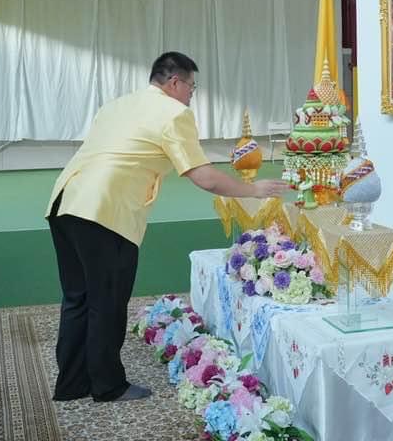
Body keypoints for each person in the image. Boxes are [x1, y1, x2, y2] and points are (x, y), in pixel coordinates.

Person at [45, 51, 288, 402]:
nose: (192, 93)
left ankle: (71, 383)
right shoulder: (174, 113)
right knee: (106, 300)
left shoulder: (115, 105)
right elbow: (202, 175)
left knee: (77, 297)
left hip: (64, 201)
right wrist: (253, 189)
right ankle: (108, 385)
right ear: (175, 82)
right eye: (192, 86)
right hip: (104, 211)